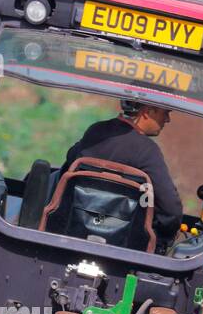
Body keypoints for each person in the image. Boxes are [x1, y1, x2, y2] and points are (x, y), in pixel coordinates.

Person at [61, 100, 185, 243]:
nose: (168, 120)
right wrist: (163, 237)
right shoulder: (147, 150)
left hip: (74, 231)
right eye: (166, 113)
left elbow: (70, 159)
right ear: (148, 112)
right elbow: (170, 209)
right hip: (125, 245)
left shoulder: (95, 131)